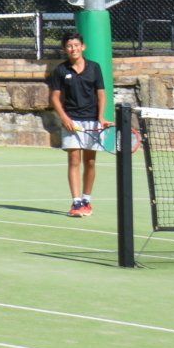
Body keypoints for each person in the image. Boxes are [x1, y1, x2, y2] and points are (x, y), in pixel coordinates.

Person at [48, 29, 107, 217]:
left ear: (83, 47)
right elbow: (55, 98)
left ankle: (87, 200)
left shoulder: (94, 67)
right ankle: (76, 202)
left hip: (92, 121)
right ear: (65, 49)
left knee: (90, 161)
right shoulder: (60, 70)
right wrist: (65, 119)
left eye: (76, 45)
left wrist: (101, 117)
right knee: (74, 160)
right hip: (72, 120)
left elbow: (101, 94)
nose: (73, 49)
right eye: (69, 46)